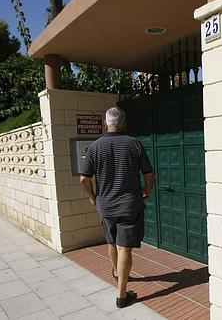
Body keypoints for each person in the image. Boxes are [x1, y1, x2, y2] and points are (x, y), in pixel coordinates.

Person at [79, 106, 154, 308]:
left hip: (106, 206)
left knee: (112, 244)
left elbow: (84, 180)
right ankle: (122, 296)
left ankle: (116, 272)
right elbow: (148, 174)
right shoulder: (135, 144)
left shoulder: (94, 147)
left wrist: (93, 198)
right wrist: (147, 190)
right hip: (129, 206)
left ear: (106, 123)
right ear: (124, 122)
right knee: (125, 249)